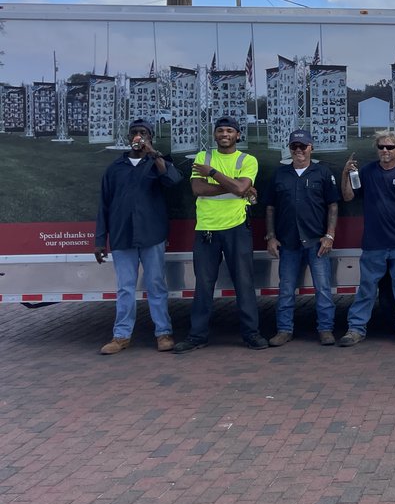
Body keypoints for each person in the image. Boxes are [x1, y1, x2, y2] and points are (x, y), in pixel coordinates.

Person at [175, 116, 267, 352]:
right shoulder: (202, 157)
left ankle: (251, 334)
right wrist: (233, 186)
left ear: (238, 135)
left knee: (244, 284)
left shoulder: (247, 160)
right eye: (220, 131)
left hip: (237, 227)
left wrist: (214, 173)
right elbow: (198, 189)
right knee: (203, 285)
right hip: (207, 229)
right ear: (214, 135)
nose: (224, 134)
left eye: (229, 131)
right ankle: (197, 336)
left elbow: (241, 188)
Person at [94, 118, 182, 354]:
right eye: (134, 132)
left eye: (143, 133)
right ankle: (121, 336)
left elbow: (173, 181)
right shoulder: (115, 168)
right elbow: (104, 205)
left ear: (150, 137)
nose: (138, 136)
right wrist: (100, 241)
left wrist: (153, 154)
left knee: (156, 284)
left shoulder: (157, 163)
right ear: (128, 136)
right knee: (125, 287)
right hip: (123, 237)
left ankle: (163, 333)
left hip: (152, 235)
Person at [337, 130, 395, 346]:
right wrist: (345, 174)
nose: (385, 150)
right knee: (367, 289)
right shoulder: (367, 171)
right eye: (381, 147)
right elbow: (348, 196)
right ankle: (356, 329)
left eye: (390, 147)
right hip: (373, 243)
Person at [262, 129, 340, 346]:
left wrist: (330, 235)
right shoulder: (279, 174)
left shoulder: (322, 173)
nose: (298, 150)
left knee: (323, 289)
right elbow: (270, 207)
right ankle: (284, 330)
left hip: (317, 241)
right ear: (289, 149)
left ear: (311, 147)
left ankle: (325, 329)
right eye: (294, 146)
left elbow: (332, 205)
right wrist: (271, 236)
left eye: (302, 146)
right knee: (286, 289)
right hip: (288, 242)